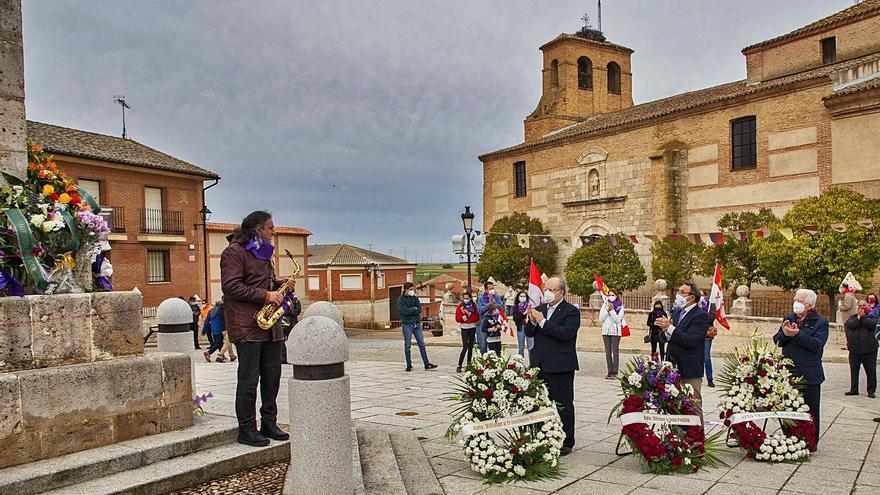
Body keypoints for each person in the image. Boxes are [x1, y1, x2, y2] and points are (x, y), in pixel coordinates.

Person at [220, 210, 290, 447]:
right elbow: (231, 287)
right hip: (247, 325)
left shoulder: (263, 253)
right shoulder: (233, 252)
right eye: (270, 227)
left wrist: (280, 286)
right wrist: (266, 295)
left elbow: (263, 284)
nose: (274, 231)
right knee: (249, 380)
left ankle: (269, 423)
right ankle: (247, 429)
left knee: (272, 377)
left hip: (271, 326)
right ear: (257, 229)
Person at [524, 277, 580, 456]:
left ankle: (567, 441)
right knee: (539, 403)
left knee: (564, 405)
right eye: (545, 288)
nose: (546, 292)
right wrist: (532, 321)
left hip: (560, 366)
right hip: (539, 364)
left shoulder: (571, 311)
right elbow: (528, 332)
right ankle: (542, 435)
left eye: (551, 289)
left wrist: (542, 322)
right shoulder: (540, 309)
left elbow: (566, 334)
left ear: (561, 292)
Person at [774, 288, 827, 451]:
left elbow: (816, 345)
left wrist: (797, 335)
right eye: (795, 299)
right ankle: (790, 438)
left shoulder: (820, 322)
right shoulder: (789, 318)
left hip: (809, 373)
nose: (796, 303)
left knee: (810, 409)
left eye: (800, 301)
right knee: (788, 408)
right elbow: (777, 340)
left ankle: (810, 442)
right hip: (789, 371)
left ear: (809, 305)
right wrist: (785, 334)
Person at [654, 282, 710, 423]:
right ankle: (677, 439)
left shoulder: (700, 316)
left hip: (690, 367)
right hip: (673, 365)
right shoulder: (678, 312)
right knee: (674, 406)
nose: (678, 294)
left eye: (682, 292)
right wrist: (665, 331)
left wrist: (670, 328)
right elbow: (666, 337)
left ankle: (697, 441)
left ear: (691, 297)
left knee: (693, 405)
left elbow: (690, 339)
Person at [397, 281, 438, 372]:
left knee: (421, 344)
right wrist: (413, 309)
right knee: (407, 345)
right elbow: (404, 311)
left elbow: (419, 309)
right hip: (407, 324)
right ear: (406, 290)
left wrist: (411, 310)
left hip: (417, 323)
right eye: (411, 289)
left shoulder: (415, 298)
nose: (412, 291)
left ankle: (426, 364)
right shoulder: (401, 299)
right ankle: (409, 365)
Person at [844, 299, 877, 398]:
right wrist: (859, 318)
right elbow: (851, 326)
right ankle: (854, 389)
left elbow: (872, 326)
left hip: (869, 350)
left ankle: (871, 390)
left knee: (870, 371)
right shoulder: (852, 318)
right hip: (854, 349)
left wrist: (863, 317)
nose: (861, 308)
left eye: (864, 306)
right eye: (860, 306)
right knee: (854, 370)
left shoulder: (873, 317)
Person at [599, 289, 624, 379]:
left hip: (615, 332)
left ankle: (615, 371)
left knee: (615, 352)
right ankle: (609, 371)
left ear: (616, 296)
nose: (611, 296)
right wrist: (607, 310)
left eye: (613, 295)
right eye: (609, 295)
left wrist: (612, 310)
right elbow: (601, 318)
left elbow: (617, 319)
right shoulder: (605, 304)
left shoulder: (620, 306)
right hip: (605, 331)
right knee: (607, 352)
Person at [476, 280, 503, 354]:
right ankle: (484, 361)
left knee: (495, 344)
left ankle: (495, 359)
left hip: (495, 320)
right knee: (483, 344)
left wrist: (493, 302)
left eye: (493, 288)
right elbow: (480, 310)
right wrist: (489, 304)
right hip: (485, 320)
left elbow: (501, 307)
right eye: (490, 289)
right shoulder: (481, 298)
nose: (492, 290)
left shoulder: (497, 297)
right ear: (486, 290)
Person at [455, 292, 480, 372]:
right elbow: (458, 318)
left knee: (470, 347)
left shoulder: (473, 306)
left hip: (472, 327)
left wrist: (470, 315)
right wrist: (465, 315)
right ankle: (459, 364)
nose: (466, 300)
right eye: (464, 298)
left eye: (467, 298)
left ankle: (469, 364)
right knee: (465, 346)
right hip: (464, 327)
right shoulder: (460, 306)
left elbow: (476, 317)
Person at [279, 294, 302, 365]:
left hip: (292, 323)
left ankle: (295, 357)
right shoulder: (280, 298)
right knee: (281, 341)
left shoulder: (295, 299)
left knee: (294, 341)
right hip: (282, 322)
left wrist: (288, 313)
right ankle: (283, 358)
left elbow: (297, 310)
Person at [203, 299, 227, 363]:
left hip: (213, 329)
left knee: (219, 342)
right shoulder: (221, 310)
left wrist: (204, 330)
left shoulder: (211, 311)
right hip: (220, 329)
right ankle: (208, 353)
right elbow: (223, 320)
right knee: (218, 343)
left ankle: (221, 356)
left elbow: (207, 321)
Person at [512, 290, 532, 358]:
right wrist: (524, 313)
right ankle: (520, 365)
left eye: (524, 296)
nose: (523, 297)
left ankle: (532, 365)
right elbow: (515, 318)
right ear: (518, 297)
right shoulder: (516, 307)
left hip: (529, 328)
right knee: (521, 348)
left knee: (531, 347)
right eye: (521, 296)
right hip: (520, 328)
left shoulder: (529, 306)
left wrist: (528, 312)